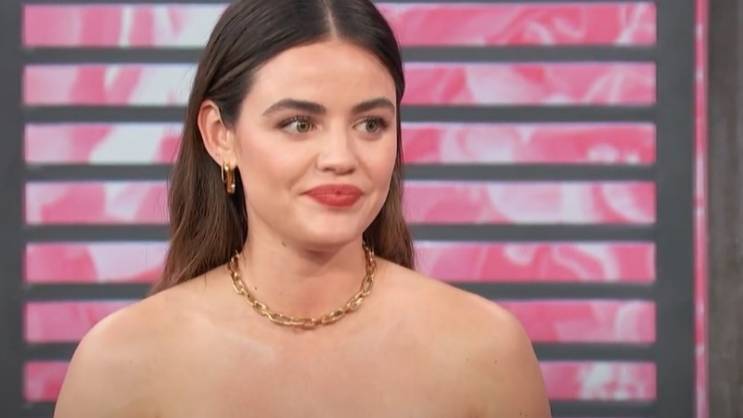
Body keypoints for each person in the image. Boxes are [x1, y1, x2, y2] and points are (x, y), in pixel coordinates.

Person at [53, 0, 551, 416]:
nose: (340, 158)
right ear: (220, 136)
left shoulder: (485, 350)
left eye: (371, 125)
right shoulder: (120, 363)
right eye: (299, 124)